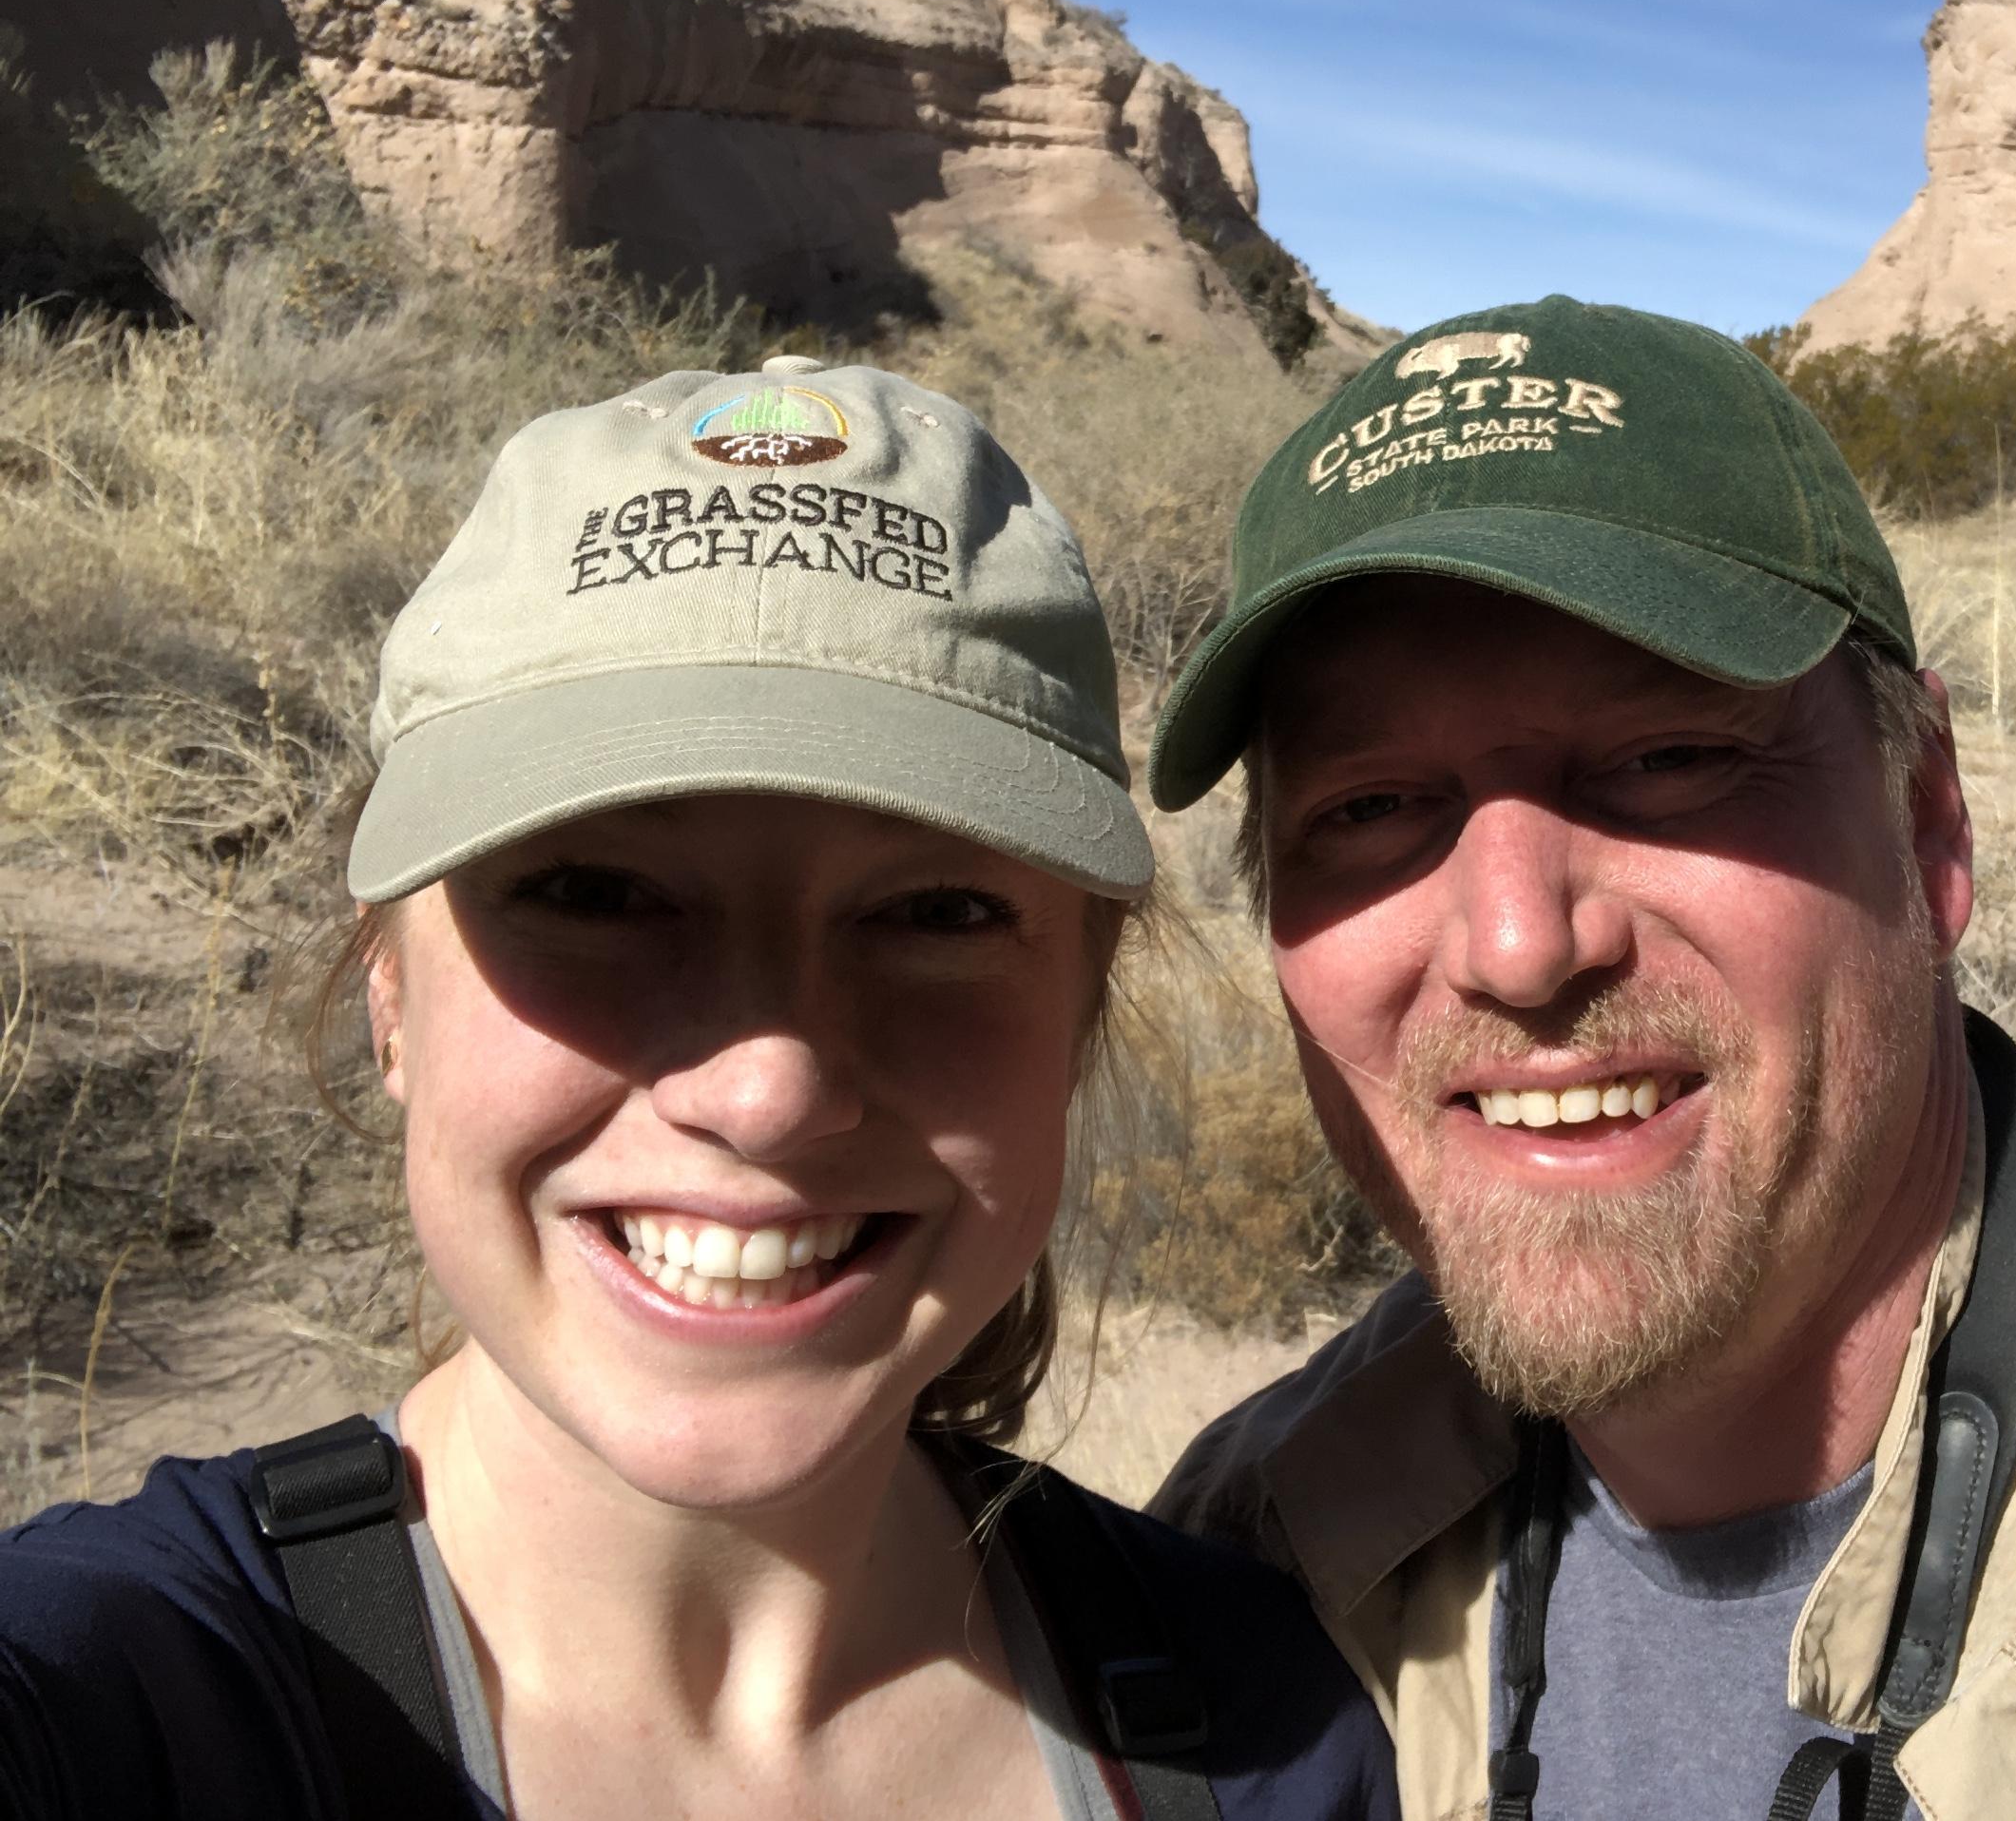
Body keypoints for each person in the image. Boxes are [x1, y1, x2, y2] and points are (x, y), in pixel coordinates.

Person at [0, 355, 1401, 1821]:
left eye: (937, 915)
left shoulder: (1273, 1734)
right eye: (596, 892)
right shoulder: (122, 1709)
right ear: (390, 993)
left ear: (1080, 1013)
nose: (767, 1093)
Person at [1142, 297, 2016, 1821]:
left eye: (1670, 760)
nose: (1517, 944)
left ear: (1930, 820)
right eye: (1370, 808)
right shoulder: (1246, 1572)